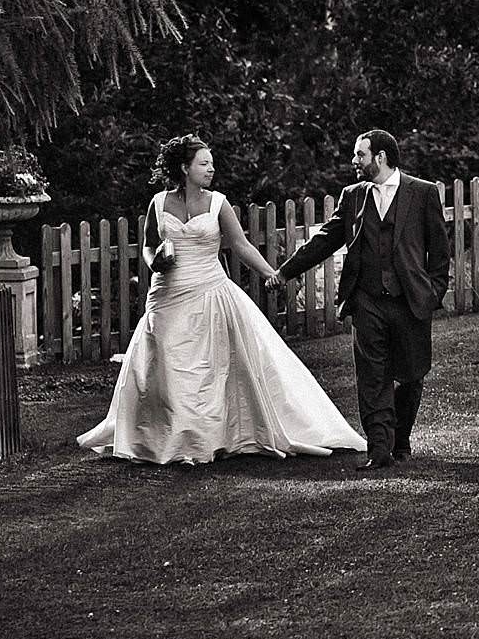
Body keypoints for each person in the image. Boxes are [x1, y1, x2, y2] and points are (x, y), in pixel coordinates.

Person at [77, 134, 366, 464]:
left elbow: (241, 247)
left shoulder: (218, 203)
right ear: (184, 168)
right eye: (204, 163)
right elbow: (147, 245)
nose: (211, 168)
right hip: (167, 293)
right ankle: (173, 437)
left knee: (207, 367)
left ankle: (201, 438)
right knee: (168, 360)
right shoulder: (158, 202)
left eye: (212, 163)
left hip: (210, 289)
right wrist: (153, 259)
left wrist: (273, 273)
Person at [267, 129, 451, 471]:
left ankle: (400, 437)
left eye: (359, 155)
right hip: (366, 300)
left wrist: (432, 293)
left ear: (380, 158)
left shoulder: (422, 193)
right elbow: (325, 240)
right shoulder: (352, 196)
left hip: (409, 300)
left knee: (411, 375)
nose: (354, 161)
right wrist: (285, 272)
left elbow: (440, 253)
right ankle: (379, 450)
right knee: (372, 375)